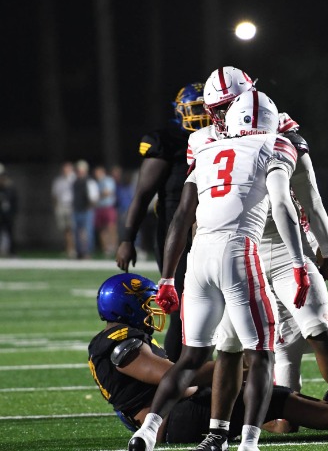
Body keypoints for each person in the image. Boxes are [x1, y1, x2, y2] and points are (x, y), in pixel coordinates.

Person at [194, 70, 328, 451]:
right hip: (239, 252)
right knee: (228, 343)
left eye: (225, 107)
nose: (219, 117)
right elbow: (199, 210)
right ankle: (217, 433)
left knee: (317, 325)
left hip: (282, 249)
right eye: (216, 109)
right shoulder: (205, 141)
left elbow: (308, 199)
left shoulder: (280, 134)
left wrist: (327, 254)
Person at [128, 90, 313, 451]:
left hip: (199, 256)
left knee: (190, 358)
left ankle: (148, 430)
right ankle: (248, 443)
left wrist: (167, 277)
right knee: (260, 355)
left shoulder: (206, 147)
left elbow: (182, 216)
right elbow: (281, 204)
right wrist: (297, 263)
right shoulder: (275, 144)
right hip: (238, 251)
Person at [89, 273, 328, 446]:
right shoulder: (118, 342)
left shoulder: (124, 339)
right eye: (146, 305)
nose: (153, 311)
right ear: (126, 307)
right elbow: (172, 376)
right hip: (174, 421)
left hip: (179, 414)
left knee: (273, 395)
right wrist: (236, 365)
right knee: (273, 397)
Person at [115, 83, 210, 362]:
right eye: (194, 109)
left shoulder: (221, 138)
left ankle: (202, 372)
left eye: (204, 109)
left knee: (214, 309)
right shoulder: (167, 141)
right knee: (185, 308)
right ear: (179, 111)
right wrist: (127, 239)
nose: (200, 116)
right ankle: (174, 374)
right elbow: (142, 194)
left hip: (212, 231)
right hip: (175, 234)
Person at [72, 160, 99, 259]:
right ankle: (79, 252)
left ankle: (88, 252)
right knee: (76, 232)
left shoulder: (90, 182)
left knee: (87, 232)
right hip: (77, 209)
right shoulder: (75, 182)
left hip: (86, 210)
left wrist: (89, 207)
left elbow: (94, 197)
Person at [51, 161, 76, 258]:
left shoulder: (75, 179)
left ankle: (74, 249)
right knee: (65, 229)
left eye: (68, 169)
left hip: (72, 206)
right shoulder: (58, 181)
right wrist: (56, 206)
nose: (66, 171)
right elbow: (54, 195)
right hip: (61, 206)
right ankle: (69, 249)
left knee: (72, 229)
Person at [94, 165, 118, 257]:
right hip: (99, 207)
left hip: (108, 206)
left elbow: (108, 192)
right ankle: (106, 248)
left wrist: (97, 195)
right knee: (101, 229)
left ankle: (114, 247)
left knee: (111, 227)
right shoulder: (96, 182)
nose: (96, 174)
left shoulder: (108, 180)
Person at [0, 163, 18, 257]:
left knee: (10, 232)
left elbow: (14, 201)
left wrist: (13, 213)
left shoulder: (10, 186)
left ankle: (12, 252)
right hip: (1, 213)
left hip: (8, 214)